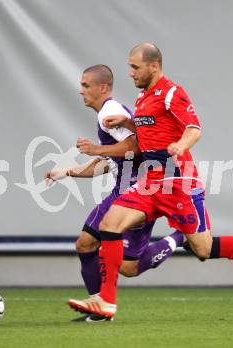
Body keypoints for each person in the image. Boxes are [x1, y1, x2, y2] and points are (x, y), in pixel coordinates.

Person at [67, 43, 233, 319]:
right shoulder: (143, 99)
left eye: (135, 67)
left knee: (204, 248)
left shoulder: (172, 93)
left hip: (178, 182)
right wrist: (129, 123)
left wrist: (180, 144)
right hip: (152, 181)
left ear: (153, 66)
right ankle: (106, 302)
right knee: (110, 223)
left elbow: (194, 128)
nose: (130, 73)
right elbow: (149, 131)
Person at [45, 64, 185, 322]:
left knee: (128, 266)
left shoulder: (108, 112)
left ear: (103, 88)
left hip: (139, 189)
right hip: (124, 187)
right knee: (87, 245)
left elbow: (136, 145)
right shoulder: (107, 115)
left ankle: (179, 237)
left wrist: (97, 149)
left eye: (86, 85)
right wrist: (67, 172)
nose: (81, 91)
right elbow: (111, 160)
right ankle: (99, 308)